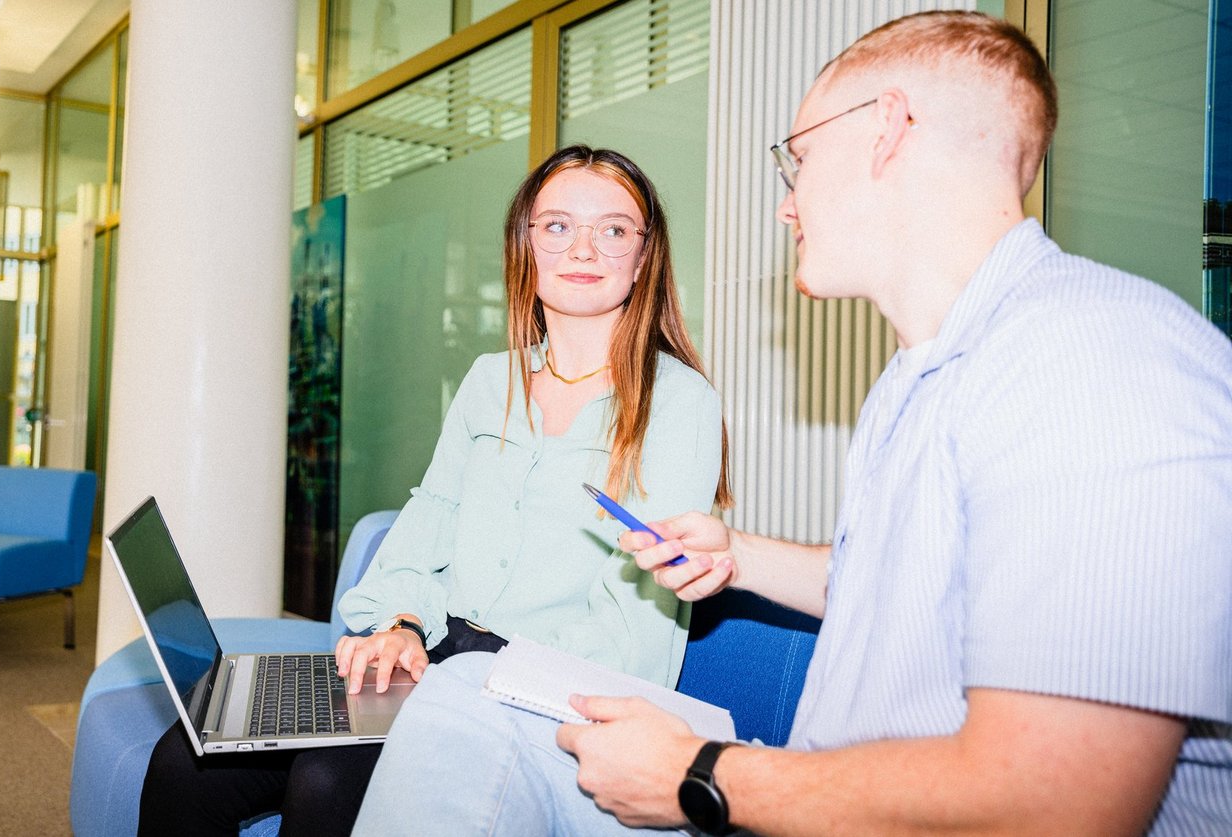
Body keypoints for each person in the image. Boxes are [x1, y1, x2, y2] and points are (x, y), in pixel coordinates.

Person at [351, 10, 1232, 836]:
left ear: (886, 130)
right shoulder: (920, 376)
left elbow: (1058, 808)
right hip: (817, 794)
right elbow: (900, 578)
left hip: (791, 795)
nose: (786, 202)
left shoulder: (1095, 363)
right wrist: (738, 554)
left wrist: (705, 773)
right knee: (455, 705)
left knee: (459, 703)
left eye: (797, 161)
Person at [137, 144, 732, 836]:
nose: (585, 248)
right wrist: (402, 624)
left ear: (643, 256)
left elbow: (635, 629)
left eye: (614, 229)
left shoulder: (680, 402)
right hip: (441, 656)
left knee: (327, 780)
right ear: (525, 245)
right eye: (558, 226)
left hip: (545, 691)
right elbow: (429, 520)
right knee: (186, 758)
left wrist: (459, 679)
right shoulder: (490, 380)